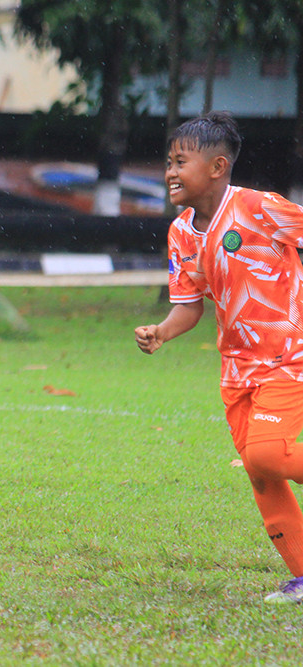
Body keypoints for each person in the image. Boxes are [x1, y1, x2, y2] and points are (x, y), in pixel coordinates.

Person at [135, 111, 303, 604]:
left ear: (217, 166)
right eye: (168, 162)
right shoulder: (181, 234)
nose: (169, 171)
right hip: (236, 373)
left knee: (267, 453)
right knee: (260, 472)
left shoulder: (261, 208)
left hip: (290, 358)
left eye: (180, 161)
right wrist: (161, 332)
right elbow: (188, 306)